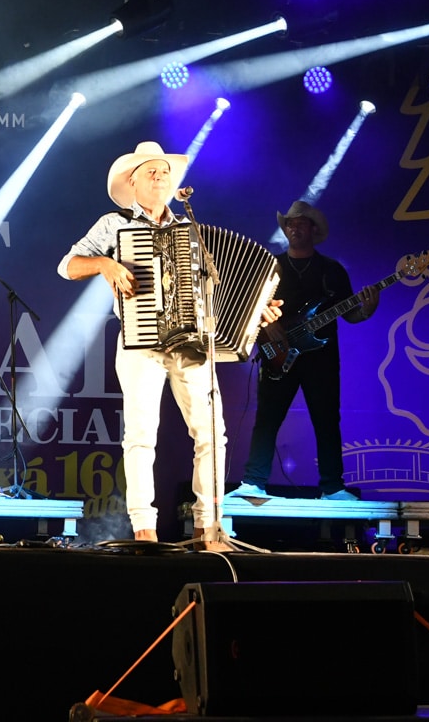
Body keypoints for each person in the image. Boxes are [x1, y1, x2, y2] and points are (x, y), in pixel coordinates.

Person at [57, 141, 280, 549]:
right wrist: (105, 264)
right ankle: (144, 528)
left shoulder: (192, 230)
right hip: (140, 342)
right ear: (132, 181)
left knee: (212, 434)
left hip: (192, 344)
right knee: (141, 434)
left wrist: (255, 311)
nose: (160, 177)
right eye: (151, 171)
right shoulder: (114, 224)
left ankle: (208, 527)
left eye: (164, 172)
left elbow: (218, 291)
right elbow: (67, 266)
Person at [231, 200, 378, 501]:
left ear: (313, 229)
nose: (294, 227)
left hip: (321, 358)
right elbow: (247, 308)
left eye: (300, 223)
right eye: (290, 223)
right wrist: (267, 325)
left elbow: (351, 313)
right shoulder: (270, 267)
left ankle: (333, 488)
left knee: (327, 420)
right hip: (277, 353)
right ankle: (253, 482)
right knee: (268, 418)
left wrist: (367, 309)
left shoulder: (332, 271)